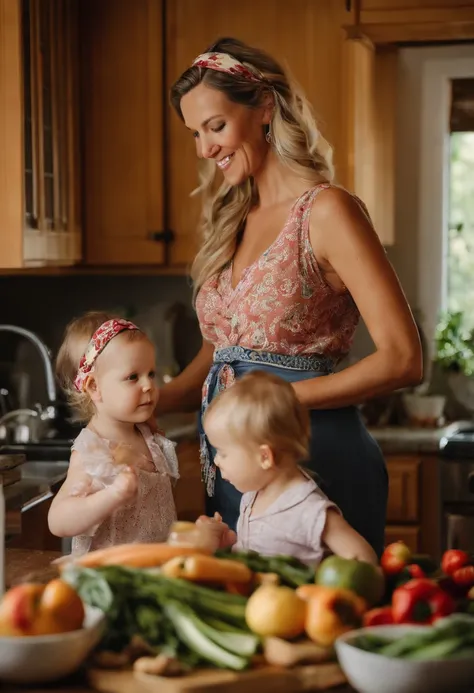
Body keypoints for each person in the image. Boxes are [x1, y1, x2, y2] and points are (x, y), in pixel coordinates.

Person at [159, 37, 422, 557]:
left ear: (264, 108)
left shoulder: (327, 212)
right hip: (234, 468)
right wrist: (148, 402)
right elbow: (219, 355)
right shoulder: (230, 219)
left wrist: (277, 403)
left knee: (325, 617)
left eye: (215, 126)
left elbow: (404, 359)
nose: (203, 149)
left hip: (313, 459)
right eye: (194, 133)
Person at [197, 371, 378, 566]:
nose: (216, 461)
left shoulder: (308, 509)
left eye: (223, 452)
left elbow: (363, 558)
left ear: (264, 457)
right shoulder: (253, 495)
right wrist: (227, 544)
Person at [48, 312, 178, 555]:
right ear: (94, 387)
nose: (149, 385)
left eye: (151, 373)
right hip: (111, 579)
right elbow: (58, 521)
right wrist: (113, 495)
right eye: (132, 377)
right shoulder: (93, 450)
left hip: (155, 573)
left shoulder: (147, 436)